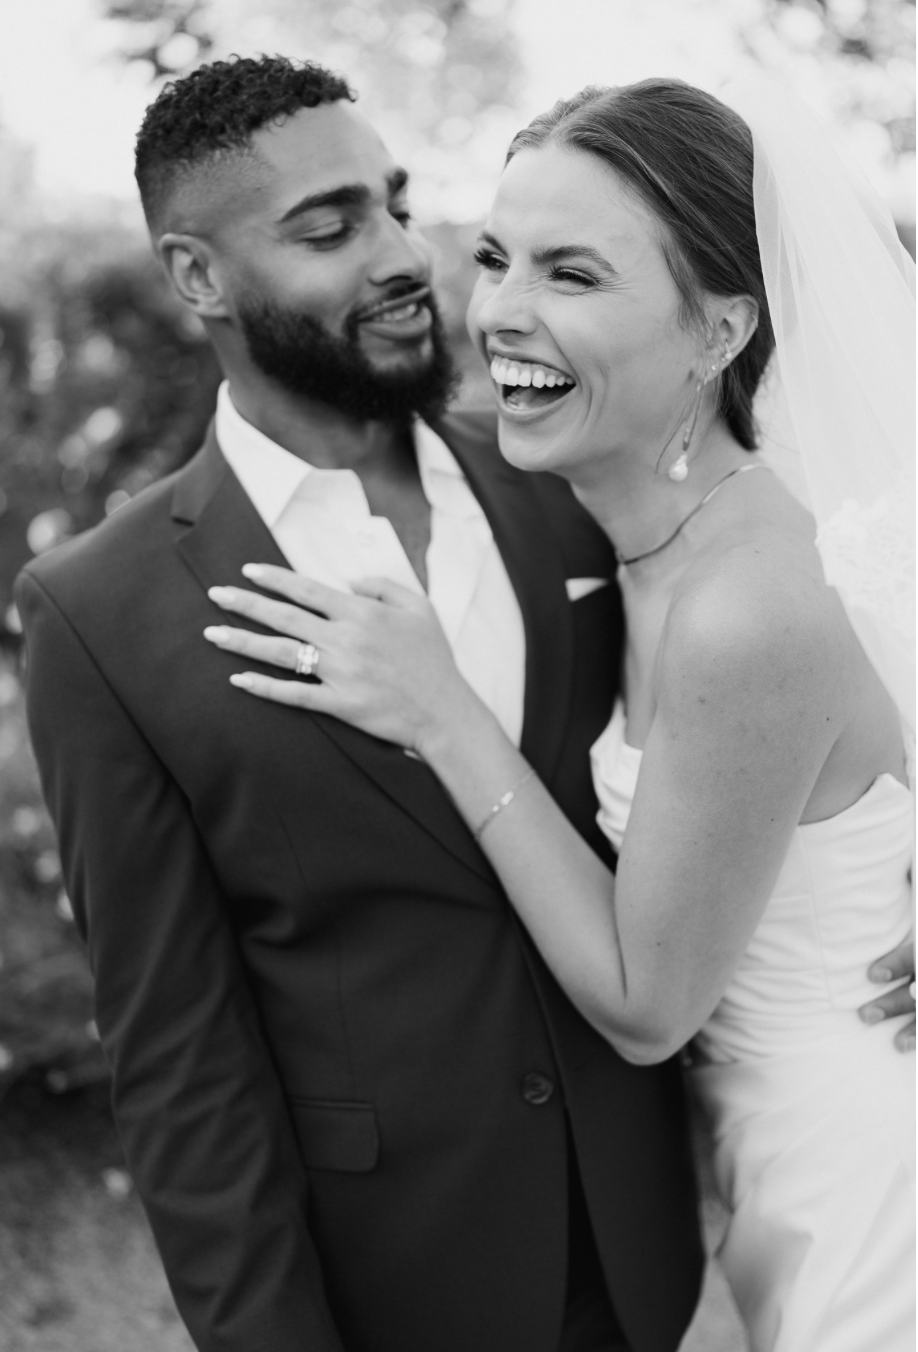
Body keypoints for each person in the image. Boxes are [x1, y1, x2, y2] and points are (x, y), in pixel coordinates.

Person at [206, 80, 916, 1352]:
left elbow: (649, 1002)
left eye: (573, 274)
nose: (500, 314)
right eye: (496, 256)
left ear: (720, 331)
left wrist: (442, 712)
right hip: (746, 1163)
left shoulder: (745, 604)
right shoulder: (623, 517)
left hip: (858, 1170)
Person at [15, 57, 709, 1352]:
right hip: (404, 1289)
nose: (401, 253)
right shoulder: (101, 616)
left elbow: (756, 708)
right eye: (330, 228)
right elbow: (181, 1063)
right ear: (197, 278)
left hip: (670, 1241)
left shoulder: (562, 476)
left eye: (394, 205)